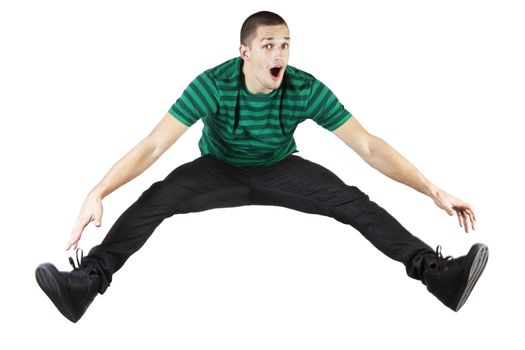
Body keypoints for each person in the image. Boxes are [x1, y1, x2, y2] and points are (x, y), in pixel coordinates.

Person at [35, 11, 488, 323]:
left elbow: (369, 147)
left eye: (285, 45)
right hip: (217, 168)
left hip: (279, 168)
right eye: (268, 45)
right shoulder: (213, 84)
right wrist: (98, 191)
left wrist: (431, 189)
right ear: (245, 52)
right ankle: (85, 284)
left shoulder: (304, 88)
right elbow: (154, 145)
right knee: (155, 200)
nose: (279, 55)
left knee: (354, 203)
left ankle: (436, 275)